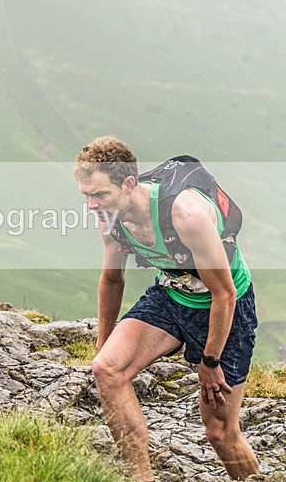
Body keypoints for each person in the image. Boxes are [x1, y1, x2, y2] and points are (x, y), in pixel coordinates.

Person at [73, 136, 258, 481]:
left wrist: (210, 361)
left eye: (100, 195)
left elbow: (225, 294)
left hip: (225, 307)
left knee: (219, 433)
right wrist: (103, 342)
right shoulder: (111, 221)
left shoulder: (185, 215)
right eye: (86, 195)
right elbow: (112, 281)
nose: (91, 205)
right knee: (107, 369)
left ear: (129, 184)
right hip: (171, 294)